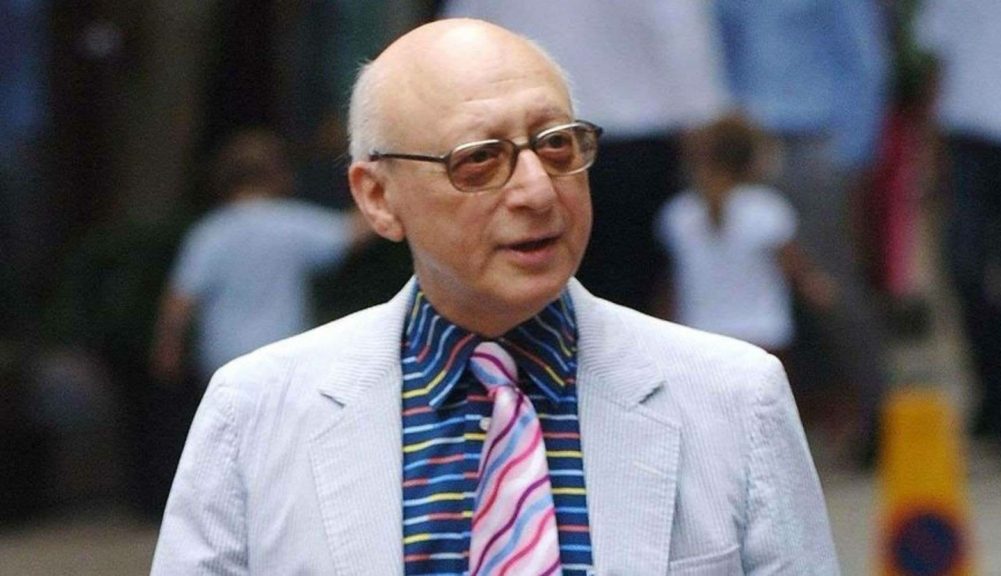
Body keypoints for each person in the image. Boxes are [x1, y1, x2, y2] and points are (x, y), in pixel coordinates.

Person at [151, 19, 838, 574]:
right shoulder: (254, 414)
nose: (537, 190)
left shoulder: (734, 398)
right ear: (378, 197)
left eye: (557, 145)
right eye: (479, 158)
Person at [439, 0, 730, 314]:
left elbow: (459, 38)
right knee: (626, 293)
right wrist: (707, 128)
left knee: (532, 274)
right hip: (631, 143)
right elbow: (682, 37)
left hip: (539, 140)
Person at [714, 0, 892, 465]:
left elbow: (864, 58)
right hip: (743, 141)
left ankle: (878, 419)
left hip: (812, 140)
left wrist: (854, 154)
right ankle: (771, 430)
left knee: (828, 284)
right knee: (747, 288)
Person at [150, 128, 373, 383]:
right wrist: (377, 183)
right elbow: (351, 234)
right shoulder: (289, 223)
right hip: (281, 358)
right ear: (278, 174)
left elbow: (180, 299)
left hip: (223, 360)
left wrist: (168, 348)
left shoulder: (211, 231)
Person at [915, 0, 1001, 460]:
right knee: (966, 271)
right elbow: (938, 65)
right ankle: (997, 399)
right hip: (970, 141)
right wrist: (930, 153)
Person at [656, 115, 836, 367]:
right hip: (763, 334)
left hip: (699, 335)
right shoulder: (767, 209)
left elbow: (671, 285)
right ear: (753, 160)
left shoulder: (678, 213)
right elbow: (799, 273)